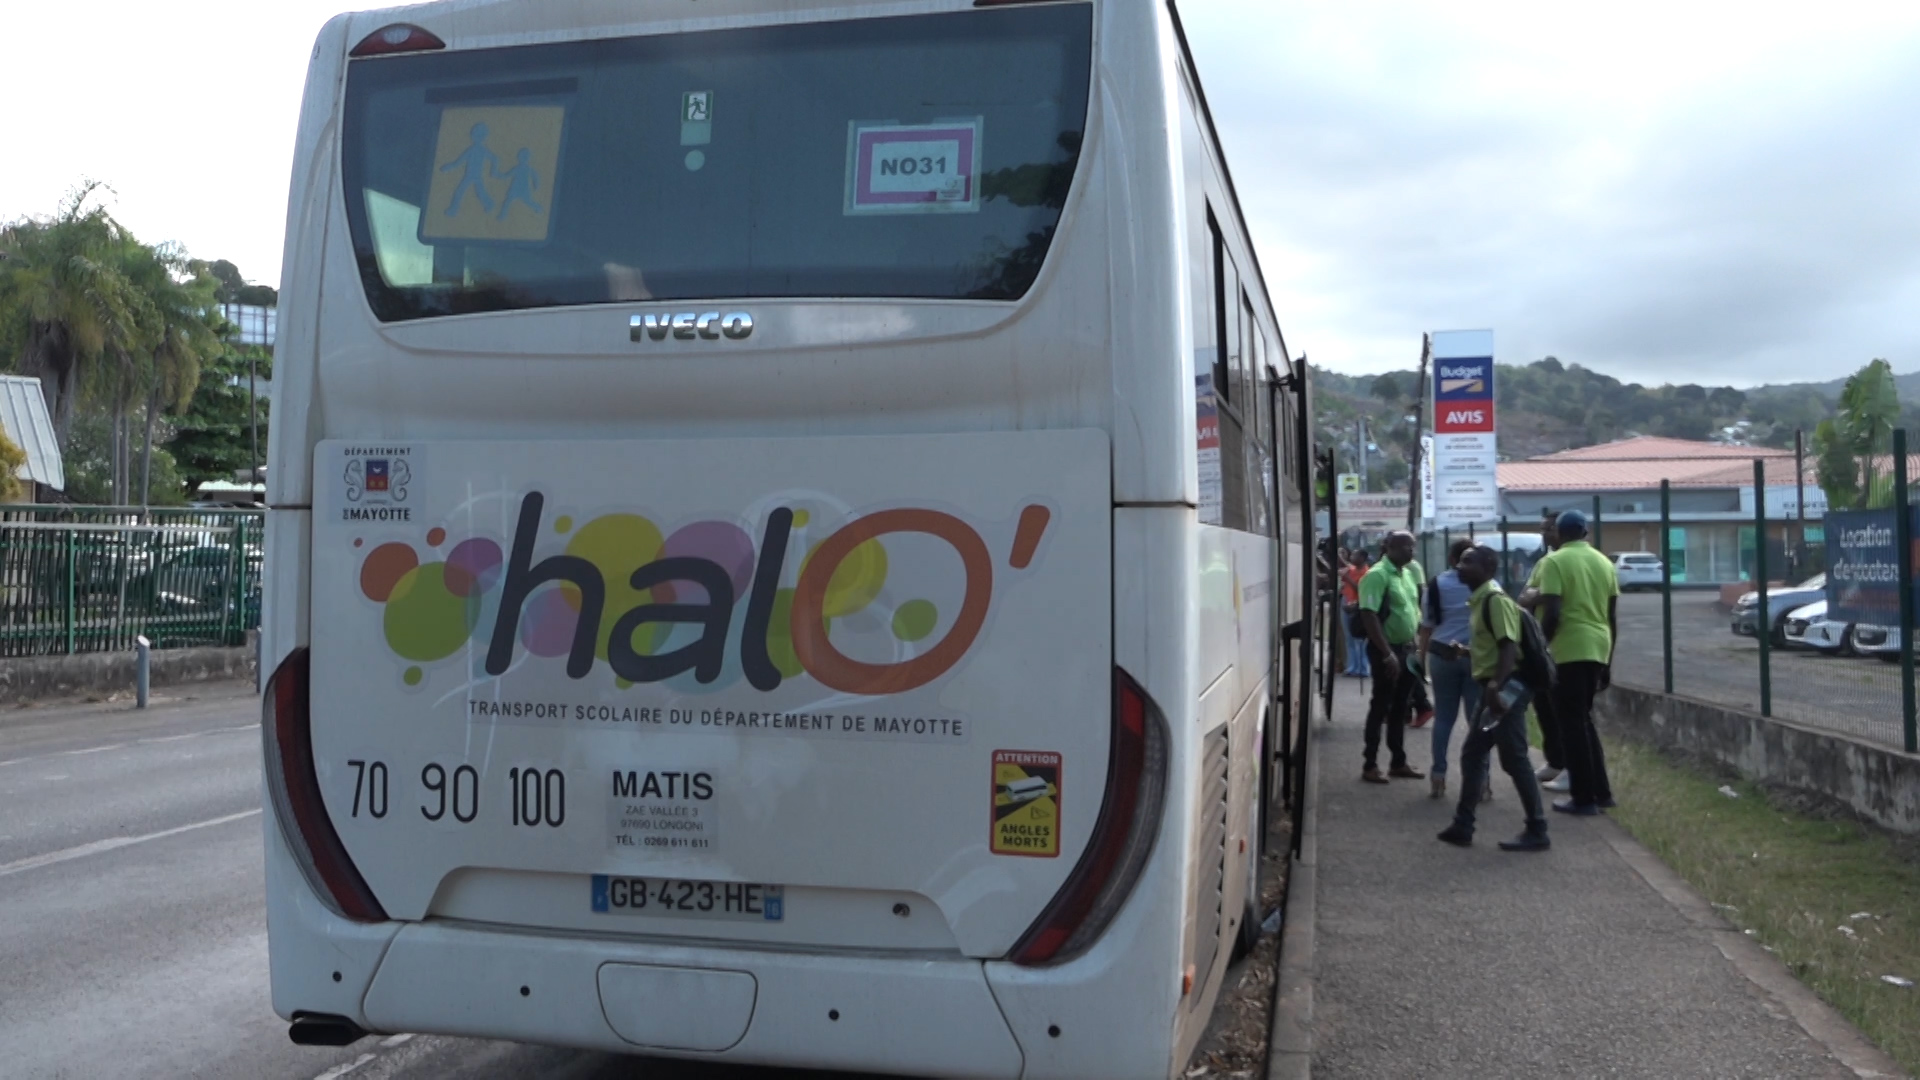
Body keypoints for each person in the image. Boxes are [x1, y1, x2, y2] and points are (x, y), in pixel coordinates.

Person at [1436, 545, 1550, 851]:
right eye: (1460, 561)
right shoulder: (1480, 600)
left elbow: (1508, 646)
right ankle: (1463, 825)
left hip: (1505, 688)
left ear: (1488, 568)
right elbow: (1495, 647)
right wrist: (1466, 653)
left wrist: (1496, 686)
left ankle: (1537, 829)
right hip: (1495, 686)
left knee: (1514, 758)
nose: (1460, 566)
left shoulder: (1494, 600)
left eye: (1469, 562)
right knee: (1474, 753)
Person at [1536, 509, 1617, 816]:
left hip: (1568, 647)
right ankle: (1602, 792)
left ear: (1559, 533)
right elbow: (1611, 616)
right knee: (1584, 719)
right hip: (1599, 644)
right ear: (1585, 532)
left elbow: (1553, 612)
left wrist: (1541, 649)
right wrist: (1608, 661)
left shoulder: (1555, 561)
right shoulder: (1604, 562)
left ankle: (1583, 798)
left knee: (1570, 724)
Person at [1353, 531, 1425, 784]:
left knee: (1401, 707)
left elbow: (1411, 610)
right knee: (1381, 706)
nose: (1411, 552)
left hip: (1406, 650)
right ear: (1390, 547)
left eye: (1413, 547)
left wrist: (1414, 645)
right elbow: (1368, 615)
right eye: (1407, 547)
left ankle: (1398, 762)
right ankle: (1370, 764)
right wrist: (1386, 654)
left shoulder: (1405, 574)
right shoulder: (1377, 575)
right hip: (1387, 651)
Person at [1418, 538, 1480, 800]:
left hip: (1442, 654)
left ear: (1451, 559)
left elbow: (1427, 625)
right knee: (1477, 722)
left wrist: (1421, 660)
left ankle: (1438, 775)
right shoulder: (1486, 585)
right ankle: (1481, 780)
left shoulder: (1437, 584)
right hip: (1476, 658)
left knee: (1443, 719)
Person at [1518, 510, 1568, 791]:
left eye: (1550, 529)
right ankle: (1555, 760)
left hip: (1558, 645)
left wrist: (1542, 646)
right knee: (1544, 706)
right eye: (1542, 529)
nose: (1545, 534)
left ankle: (1567, 765)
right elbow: (1525, 596)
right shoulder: (1544, 561)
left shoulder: (1559, 563)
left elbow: (1551, 604)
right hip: (1543, 644)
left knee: (1561, 710)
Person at [1340, 552, 1371, 678]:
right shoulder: (1351, 570)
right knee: (1349, 637)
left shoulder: (1366, 573)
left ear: (1362, 558)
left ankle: (1363, 668)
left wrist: (1348, 578)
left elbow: (1360, 589)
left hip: (1358, 605)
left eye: (1355, 556)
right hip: (1346, 601)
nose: (1352, 558)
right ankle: (1352, 666)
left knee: (1359, 638)